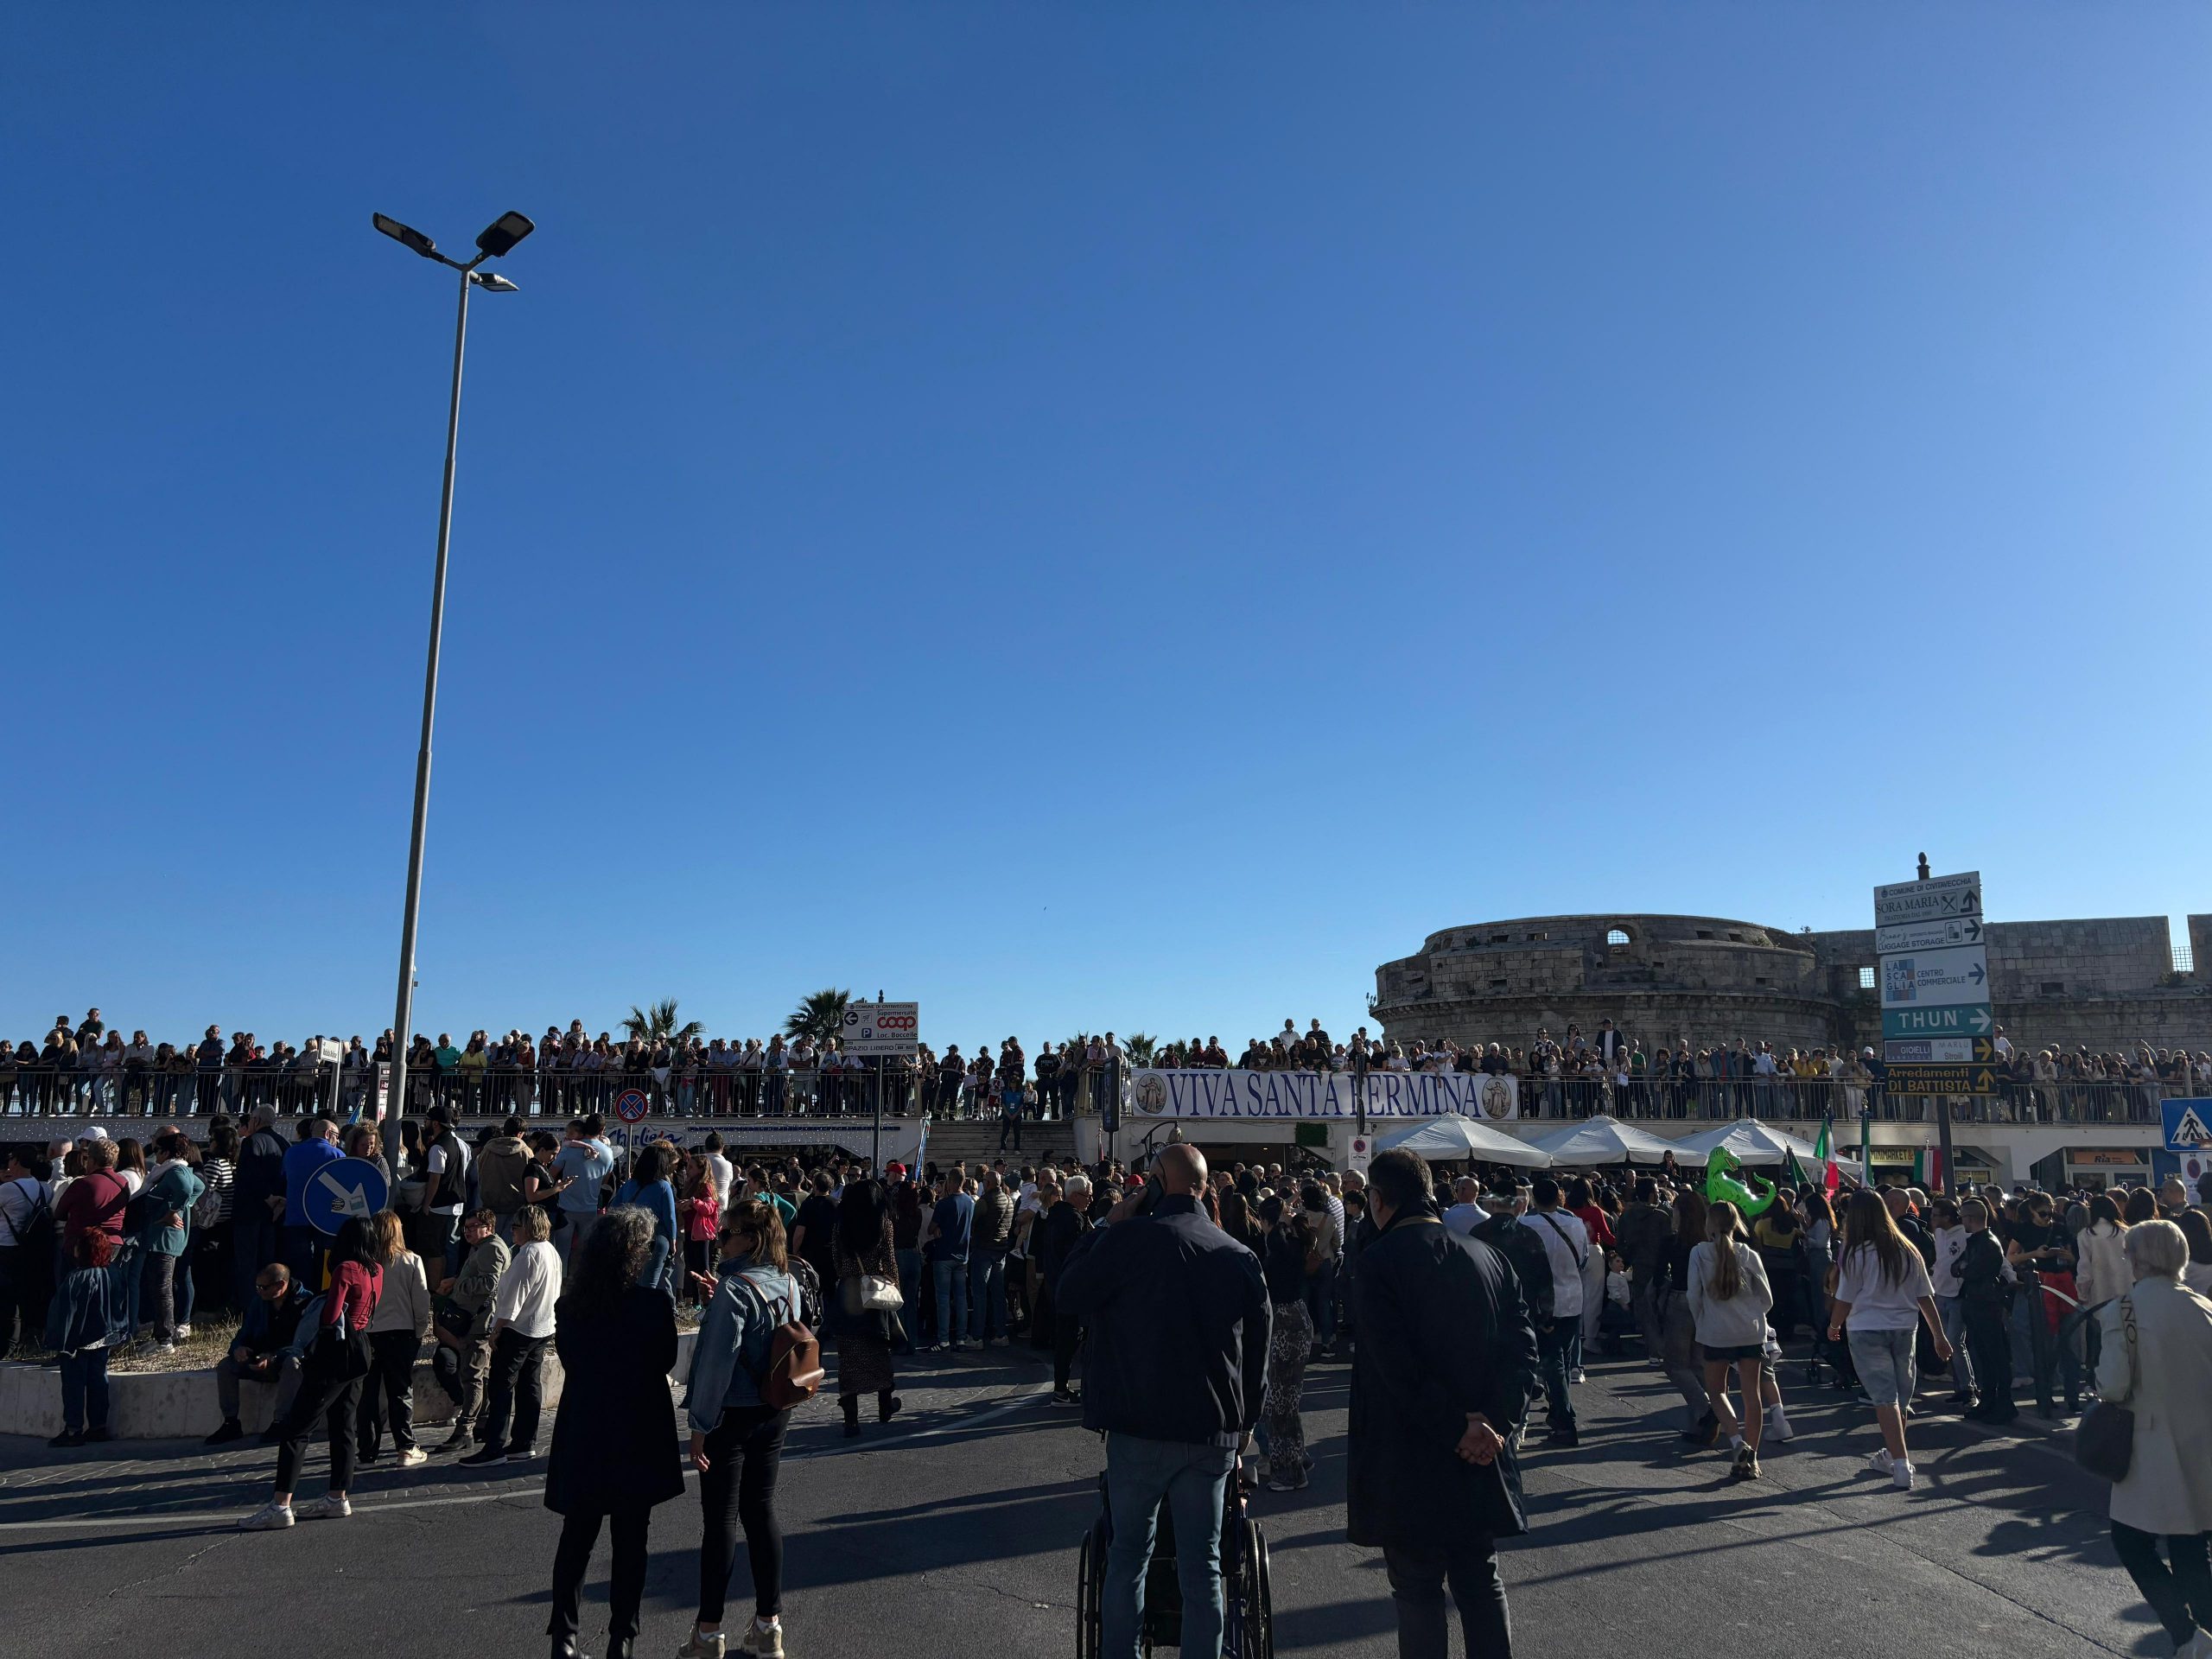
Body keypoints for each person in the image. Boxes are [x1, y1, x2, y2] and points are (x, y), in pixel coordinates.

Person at [1054, 1144, 1269, 1659]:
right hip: (1209, 1428)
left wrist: (1107, 1224)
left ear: (1154, 1183)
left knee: (1128, 1557)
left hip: (1138, 1421)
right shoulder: (1237, 1254)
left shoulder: (1126, 1241)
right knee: (1205, 1566)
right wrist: (1245, 1425)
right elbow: (1258, 1352)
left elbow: (1068, 1294)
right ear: (1205, 1187)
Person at [1346, 1147, 1536, 1659]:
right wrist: (1495, 1422)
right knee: (1480, 1579)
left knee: (1417, 1588)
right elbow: (1523, 1351)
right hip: (1480, 1450)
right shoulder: (1489, 1257)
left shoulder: (1378, 1262)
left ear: (1379, 1199)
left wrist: (1460, 1427)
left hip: (1410, 1450)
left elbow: (1395, 1366)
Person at [546, 1206, 686, 1659]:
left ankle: (564, 1636)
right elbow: (666, 1360)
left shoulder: (570, 1307)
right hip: (637, 1428)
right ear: (634, 1254)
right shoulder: (651, 1304)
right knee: (631, 1539)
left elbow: (571, 1361)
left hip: (586, 1426)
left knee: (577, 1535)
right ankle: (622, 1637)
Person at [681, 1198, 804, 1659]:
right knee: (761, 1511)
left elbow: (716, 1365)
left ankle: (709, 1632)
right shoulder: (788, 1281)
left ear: (749, 1240)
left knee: (720, 1522)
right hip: (774, 1409)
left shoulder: (736, 1289)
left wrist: (699, 1426)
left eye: (727, 1233)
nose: (719, 1241)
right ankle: (769, 1626)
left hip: (731, 1414)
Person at [2094, 1220, 2212, 1657]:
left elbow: (2113, 1386)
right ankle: (2203, 1633)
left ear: (2137, 1259)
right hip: (2202, 1442)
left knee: (2131, 1541)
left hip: (2149, 1442)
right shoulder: (2203, 1305)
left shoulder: (2124, 1310)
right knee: (2191, 1542)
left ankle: (2185, 1632)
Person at [241, 1216, 383, 1530]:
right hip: (362, 1346)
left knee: (297, 1426)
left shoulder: (345, 1269)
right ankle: (338, 1497)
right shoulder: (376, 1269)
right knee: (344, 1425)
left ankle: (281, 1504)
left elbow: (330, 1316)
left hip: (336, 1351)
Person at [1828, 1189, 1952, 1492]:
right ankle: (1893, 1456)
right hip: (1904, 1327)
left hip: (1867, 1327)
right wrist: (1939, 1335)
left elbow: (1845, 1297)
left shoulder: (1857, 1253)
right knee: (1899, 1398)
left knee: (1885, 1398)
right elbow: (1925, 1296)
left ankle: (1900, 1463)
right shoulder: (1908, 1249)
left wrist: (1834, 1325)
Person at [461, 1205, 563, 1467]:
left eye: (516, 1227)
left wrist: (497, 1330)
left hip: (518, 1329)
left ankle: (494, 1446)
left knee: (501, 1387)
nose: (512, 1232)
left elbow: (514, 1298)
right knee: (530, 1385)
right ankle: (523, 1443)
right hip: (542, 1328)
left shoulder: (528, 1254)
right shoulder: (550, 1251)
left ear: (528, 1228)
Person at [1688, 1199, 1774, 1480]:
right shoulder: (1748, 1254)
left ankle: (1737, 1442)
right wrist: (1753, 1314)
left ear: (1709, 1224)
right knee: (1752, 1394)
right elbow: (1767, 1299)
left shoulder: (1699, 1253)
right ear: (1736, 1223)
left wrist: (1701, 1321)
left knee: (1716, 1391)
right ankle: (1753, 1458)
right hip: (1749, 1331)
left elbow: (1693, 1294)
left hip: (1716, 1331)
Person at [205, 1263, 313, 1444]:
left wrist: (274, 1357)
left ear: (281, 1285)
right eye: (257, 1286)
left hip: (283, 1360)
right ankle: (231, 1423)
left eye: (264, 1287)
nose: (259, 1291)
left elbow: (304, 1344)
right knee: (225, 1366)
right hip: (258, 1358)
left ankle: (281, 1421)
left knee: (293, 1364)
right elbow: (244, 1332)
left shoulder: (306, 1303)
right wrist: (239, 1348)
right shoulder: (260, 1302)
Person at [356, 1211, 431, 1468]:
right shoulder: (411, 1261)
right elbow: (421, 1301)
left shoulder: (364, 1262)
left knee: (368, 1395)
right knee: (400, 1391)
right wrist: (420, 1331)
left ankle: (367, 1452)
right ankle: (406, 1447)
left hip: (369, 1333)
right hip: (401, 1333)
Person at [431, 1209, 510, 1451]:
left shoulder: (492, 1248)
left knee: (472, 1378)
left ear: (489, 1227)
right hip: (476, 1321)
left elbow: (491, 1283)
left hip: (480, 1323)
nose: (467, 1231)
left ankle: (465, 1430)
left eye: (473, 1226)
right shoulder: (481, 1247)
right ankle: (482, 1425)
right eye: (466, 1227)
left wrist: (460, 1285)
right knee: (480, 1376)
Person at [1517, 1179, 1589, 1447]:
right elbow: (1583, 1259)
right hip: (1572, 1297)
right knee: (1564, 1359)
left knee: (1553, 1362)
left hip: (1544, 1302)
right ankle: (1561, 1413)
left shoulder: (1526, 1225)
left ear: (1534, 1198)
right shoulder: (1576, 1224)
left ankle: (1565, 1420)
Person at [829, 1178, 901, 1437]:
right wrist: (895, 1287)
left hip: (848, 1292)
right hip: (874, 1293)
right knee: (880, 1349)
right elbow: (890, 1260)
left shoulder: (841, 1225)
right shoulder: (884, 1223)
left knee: (848, 1355)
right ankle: (885, 1407)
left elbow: (836, 1259)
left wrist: (847, 1276)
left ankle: (851, 1420)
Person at [44, 1229, 130, 1447]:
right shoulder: (114, 1273)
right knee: (98, 1381)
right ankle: (98, 1427)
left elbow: (66, 1313)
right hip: (104, 1338)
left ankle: (73, 1430)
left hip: (78, 1341)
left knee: (73, 1385)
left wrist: (62, 1343)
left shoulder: (77, 1278)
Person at [1255, 1192, 1315, 1491]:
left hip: (1283, 1325)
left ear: (1266, 1222)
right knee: (1288, 1401)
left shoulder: (1277, 1251)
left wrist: (1279, 1224)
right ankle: (1298, 1457)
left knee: (1278, 1403)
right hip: (1298, 1318)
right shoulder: (1295, 1244)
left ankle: (1288, 1472)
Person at [1033, 1173, 1092, 1403]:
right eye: (1087, 1196)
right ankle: (1061, 1389)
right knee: (1069, 1338)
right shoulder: (1073, 1219)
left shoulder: (1054, 1215)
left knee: (1065, 1337)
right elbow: (1076, 1255)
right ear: (1075, 1196)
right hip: (1069, 1286)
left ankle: (1061, 1387)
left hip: (1054, 1282)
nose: (1090, 1200)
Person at [1956, 1200, 2016, 1424]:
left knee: (1995, 1355)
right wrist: (1963, 1269)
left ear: (1971, 1218)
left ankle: (2003, 1403)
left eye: (1963, 1217)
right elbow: (1957, 1267)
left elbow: (1972, 1271)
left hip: (1986, 1304)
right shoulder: (1975, 1242)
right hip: (1975, 1302)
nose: (1961, 1221)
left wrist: (1964, 1269)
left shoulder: (1988, 1243)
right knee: (1983, 1355)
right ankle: (1989, 1400)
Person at [614, 1145, 680, 1300]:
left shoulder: (629, 1184)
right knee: (650, 1283)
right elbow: (670, 1217)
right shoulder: (663, 1186)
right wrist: (673, 1241)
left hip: (631, 1238)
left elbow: (615, 1208)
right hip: (656, 1238)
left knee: (630, 1282)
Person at [922, 1167, 975, 1353]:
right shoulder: (970, 1202)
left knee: (943, 1298)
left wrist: (937, 1230)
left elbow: (930, 1229)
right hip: (962, 1255)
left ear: (951, 1182)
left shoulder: (943, 1204)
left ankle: (943, 1340)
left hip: (944, 1255)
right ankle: (961, 1338)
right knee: (961, 1298)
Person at [552, 1116, 614, 1265]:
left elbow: (551, 1174)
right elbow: (605, 1182)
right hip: (590, 1209)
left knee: (561, 1253)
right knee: (585, 1254)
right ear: (602, 1130)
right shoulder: (608, 1152)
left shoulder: (569, 1148)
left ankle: (560, 1279)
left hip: (565, 1208)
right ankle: (579, 1279)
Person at [968, 1167, 1015, 1348]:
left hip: (983, 1249)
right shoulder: (1009, 1200)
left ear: (988, 1183)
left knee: (980, 1294)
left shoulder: (985, 1201)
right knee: (998, 1294)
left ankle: (977, 1337)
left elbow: (973, 1222)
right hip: (1000, 1250)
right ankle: (1001, 1333)